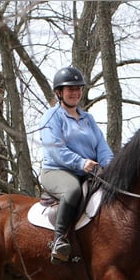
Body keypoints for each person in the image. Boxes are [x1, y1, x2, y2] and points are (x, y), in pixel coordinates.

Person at [38, 66, 114, 263]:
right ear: (59, 92)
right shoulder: (52, 117)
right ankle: (59, 241)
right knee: (72, 191)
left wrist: (112, 166)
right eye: (70, 89)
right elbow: (55, 148)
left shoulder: (88, 119)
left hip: (86, 172)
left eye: (78, 88)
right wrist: (80, 162)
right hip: (56, 171)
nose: (75, 93)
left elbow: (102, 147)